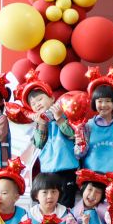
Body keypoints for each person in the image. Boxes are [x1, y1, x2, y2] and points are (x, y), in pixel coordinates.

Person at [18, 70, 78, 208]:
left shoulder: (65, 114)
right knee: (49, 205)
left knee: (66, 205)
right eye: (33, 104)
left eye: (40, 99)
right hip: (48, 171)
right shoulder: (38, 124)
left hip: (67, 169)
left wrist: (59, 118)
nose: (37, 104)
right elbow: (39, 144)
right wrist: (42, 124)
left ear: (51, 98)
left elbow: (72, 134)